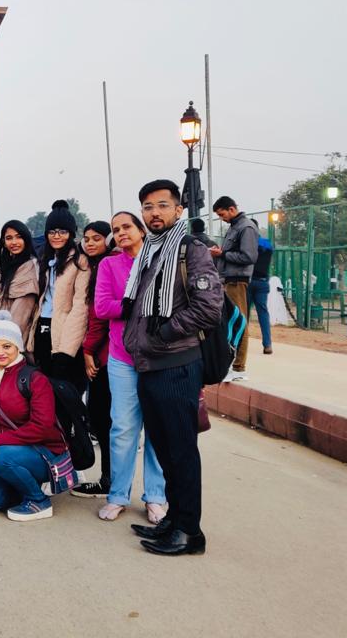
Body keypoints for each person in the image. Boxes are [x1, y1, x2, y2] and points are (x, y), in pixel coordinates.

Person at [124, 179, 223, 555]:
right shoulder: (151, 250)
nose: (155, 213)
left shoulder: (190, 250)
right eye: (148, 207)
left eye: (162, 205)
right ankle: (175, 519)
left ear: (178, 210)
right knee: (165, 450)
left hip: (177, 365)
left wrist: (164, 332)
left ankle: (189, 532)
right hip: (150, 365)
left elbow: (208, 308)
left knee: (181, 451)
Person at [87, 212, 166, 520]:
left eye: (127, 227)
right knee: (122, 428)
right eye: (116, 229)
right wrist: (132, 305)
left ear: (141, 229)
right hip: (122, 357)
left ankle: (155, 496)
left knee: (157, 428)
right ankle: (118, 495)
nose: (121, 232)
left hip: (159, 356)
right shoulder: (109, 265)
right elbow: (102, 307)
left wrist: (131, 306)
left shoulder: (161, 260)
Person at [0, 310, 69, 521]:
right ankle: (23, 482)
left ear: (17, 346)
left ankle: (38, 500)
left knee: (1, 457)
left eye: (7, 346)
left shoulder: (34, 378)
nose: (1, 352)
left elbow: (42, 426)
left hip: (42, 451)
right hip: (7, 451)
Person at [70, 220, 115, 498]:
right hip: (105, 353)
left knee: (103, 419)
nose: (89, 243)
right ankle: (110, 479)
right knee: (103, 420)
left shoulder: (106, 266)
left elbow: (99, 317)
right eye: (86, 238)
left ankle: (109, 481)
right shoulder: (95, 266)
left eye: (96, 238)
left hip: (105, 355)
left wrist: (88, 351)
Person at [30, 201, 89, 384]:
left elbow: (80, 307)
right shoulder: (43, 260)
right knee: (43, 388)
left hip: (64, 332)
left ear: (71, 233)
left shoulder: (80, 262)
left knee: (64, 388)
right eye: (52, 232)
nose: (56, 236)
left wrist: (66, 350)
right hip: (42, 328)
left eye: (62, 231)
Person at [210, 196, 259, 381]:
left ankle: (239, 368)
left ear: (231, 209)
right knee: (231, 322)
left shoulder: (246, 227)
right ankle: (233, 365)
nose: (222, 218)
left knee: (239, 322)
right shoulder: (235, 227)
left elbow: (249, 256)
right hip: (229, 280)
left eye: (222, 214)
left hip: (238, 281)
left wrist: (222, 254)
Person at [0, 221, 39, 349]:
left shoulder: (30, 267)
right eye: (9, 238)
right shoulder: (3, 267)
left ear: (26, 239)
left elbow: (21, 315)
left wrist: (5, 343)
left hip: (13, 340)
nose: (14, 242)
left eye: (19, 237)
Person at [249, 236, 275, 355]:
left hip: (249, 281)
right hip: (263, 282)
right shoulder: (268, 245)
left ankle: (240, 343)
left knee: (244, 313)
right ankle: (267, 344)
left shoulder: (249, 242)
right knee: (263, 313)